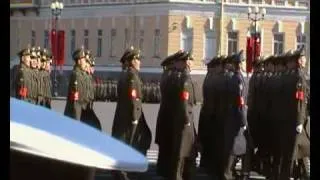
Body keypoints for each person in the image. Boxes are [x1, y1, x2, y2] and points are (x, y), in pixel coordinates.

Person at [111, 47, 152, 180]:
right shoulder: (132, 76)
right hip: (131, 117)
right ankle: (124, 173)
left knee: (133, 142)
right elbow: (134, 98)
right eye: (137, 59)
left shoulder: (125, 74)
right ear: (131, 61)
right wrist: (135, 118)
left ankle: (125, 171)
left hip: (123, 116)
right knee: (133, 143)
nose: (140, 62)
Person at [155, 50, 184, 178]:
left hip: (165, 114)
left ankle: (162, 170)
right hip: (170, 116)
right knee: (169, 147)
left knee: (165, 147)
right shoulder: (172, 77)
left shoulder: (166, 75)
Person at [64, 48, 92, 120]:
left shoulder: (82, 74)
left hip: (82, 111)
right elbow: (77, 100)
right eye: (84, 60)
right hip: (77, 113)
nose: (86, 63)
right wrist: (77, 118)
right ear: (79, 61)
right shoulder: (77, 75)